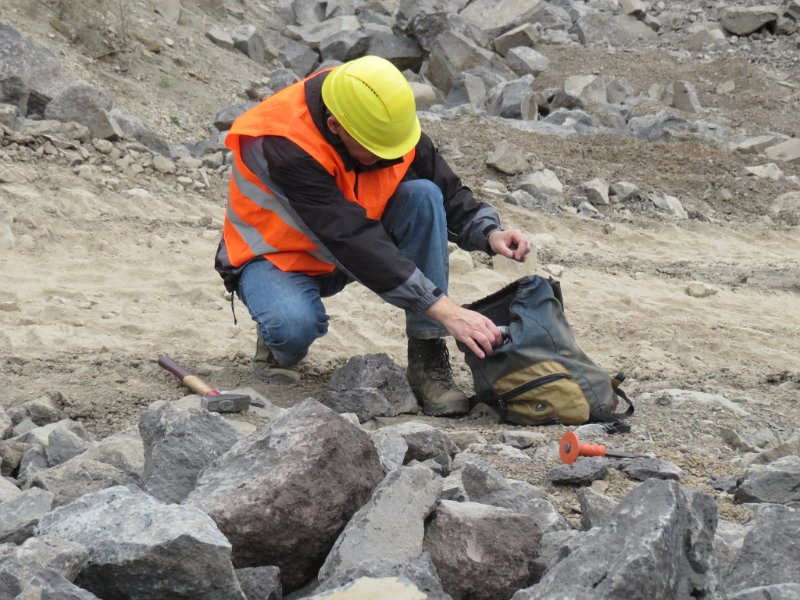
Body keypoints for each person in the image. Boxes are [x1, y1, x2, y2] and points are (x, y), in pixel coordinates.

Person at [215, 55, 531, 416]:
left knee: (424, 194)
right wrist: (445, 310)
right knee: (293, 327)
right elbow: (350, 237)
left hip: (346, 245)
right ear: (335, 126)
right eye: (378, 153)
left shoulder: (378, 115)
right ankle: (275, 346)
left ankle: (427, 357)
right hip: (275, 255)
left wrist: (489, 231)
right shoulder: (283, 143)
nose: (392, 158)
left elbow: (441, 184)